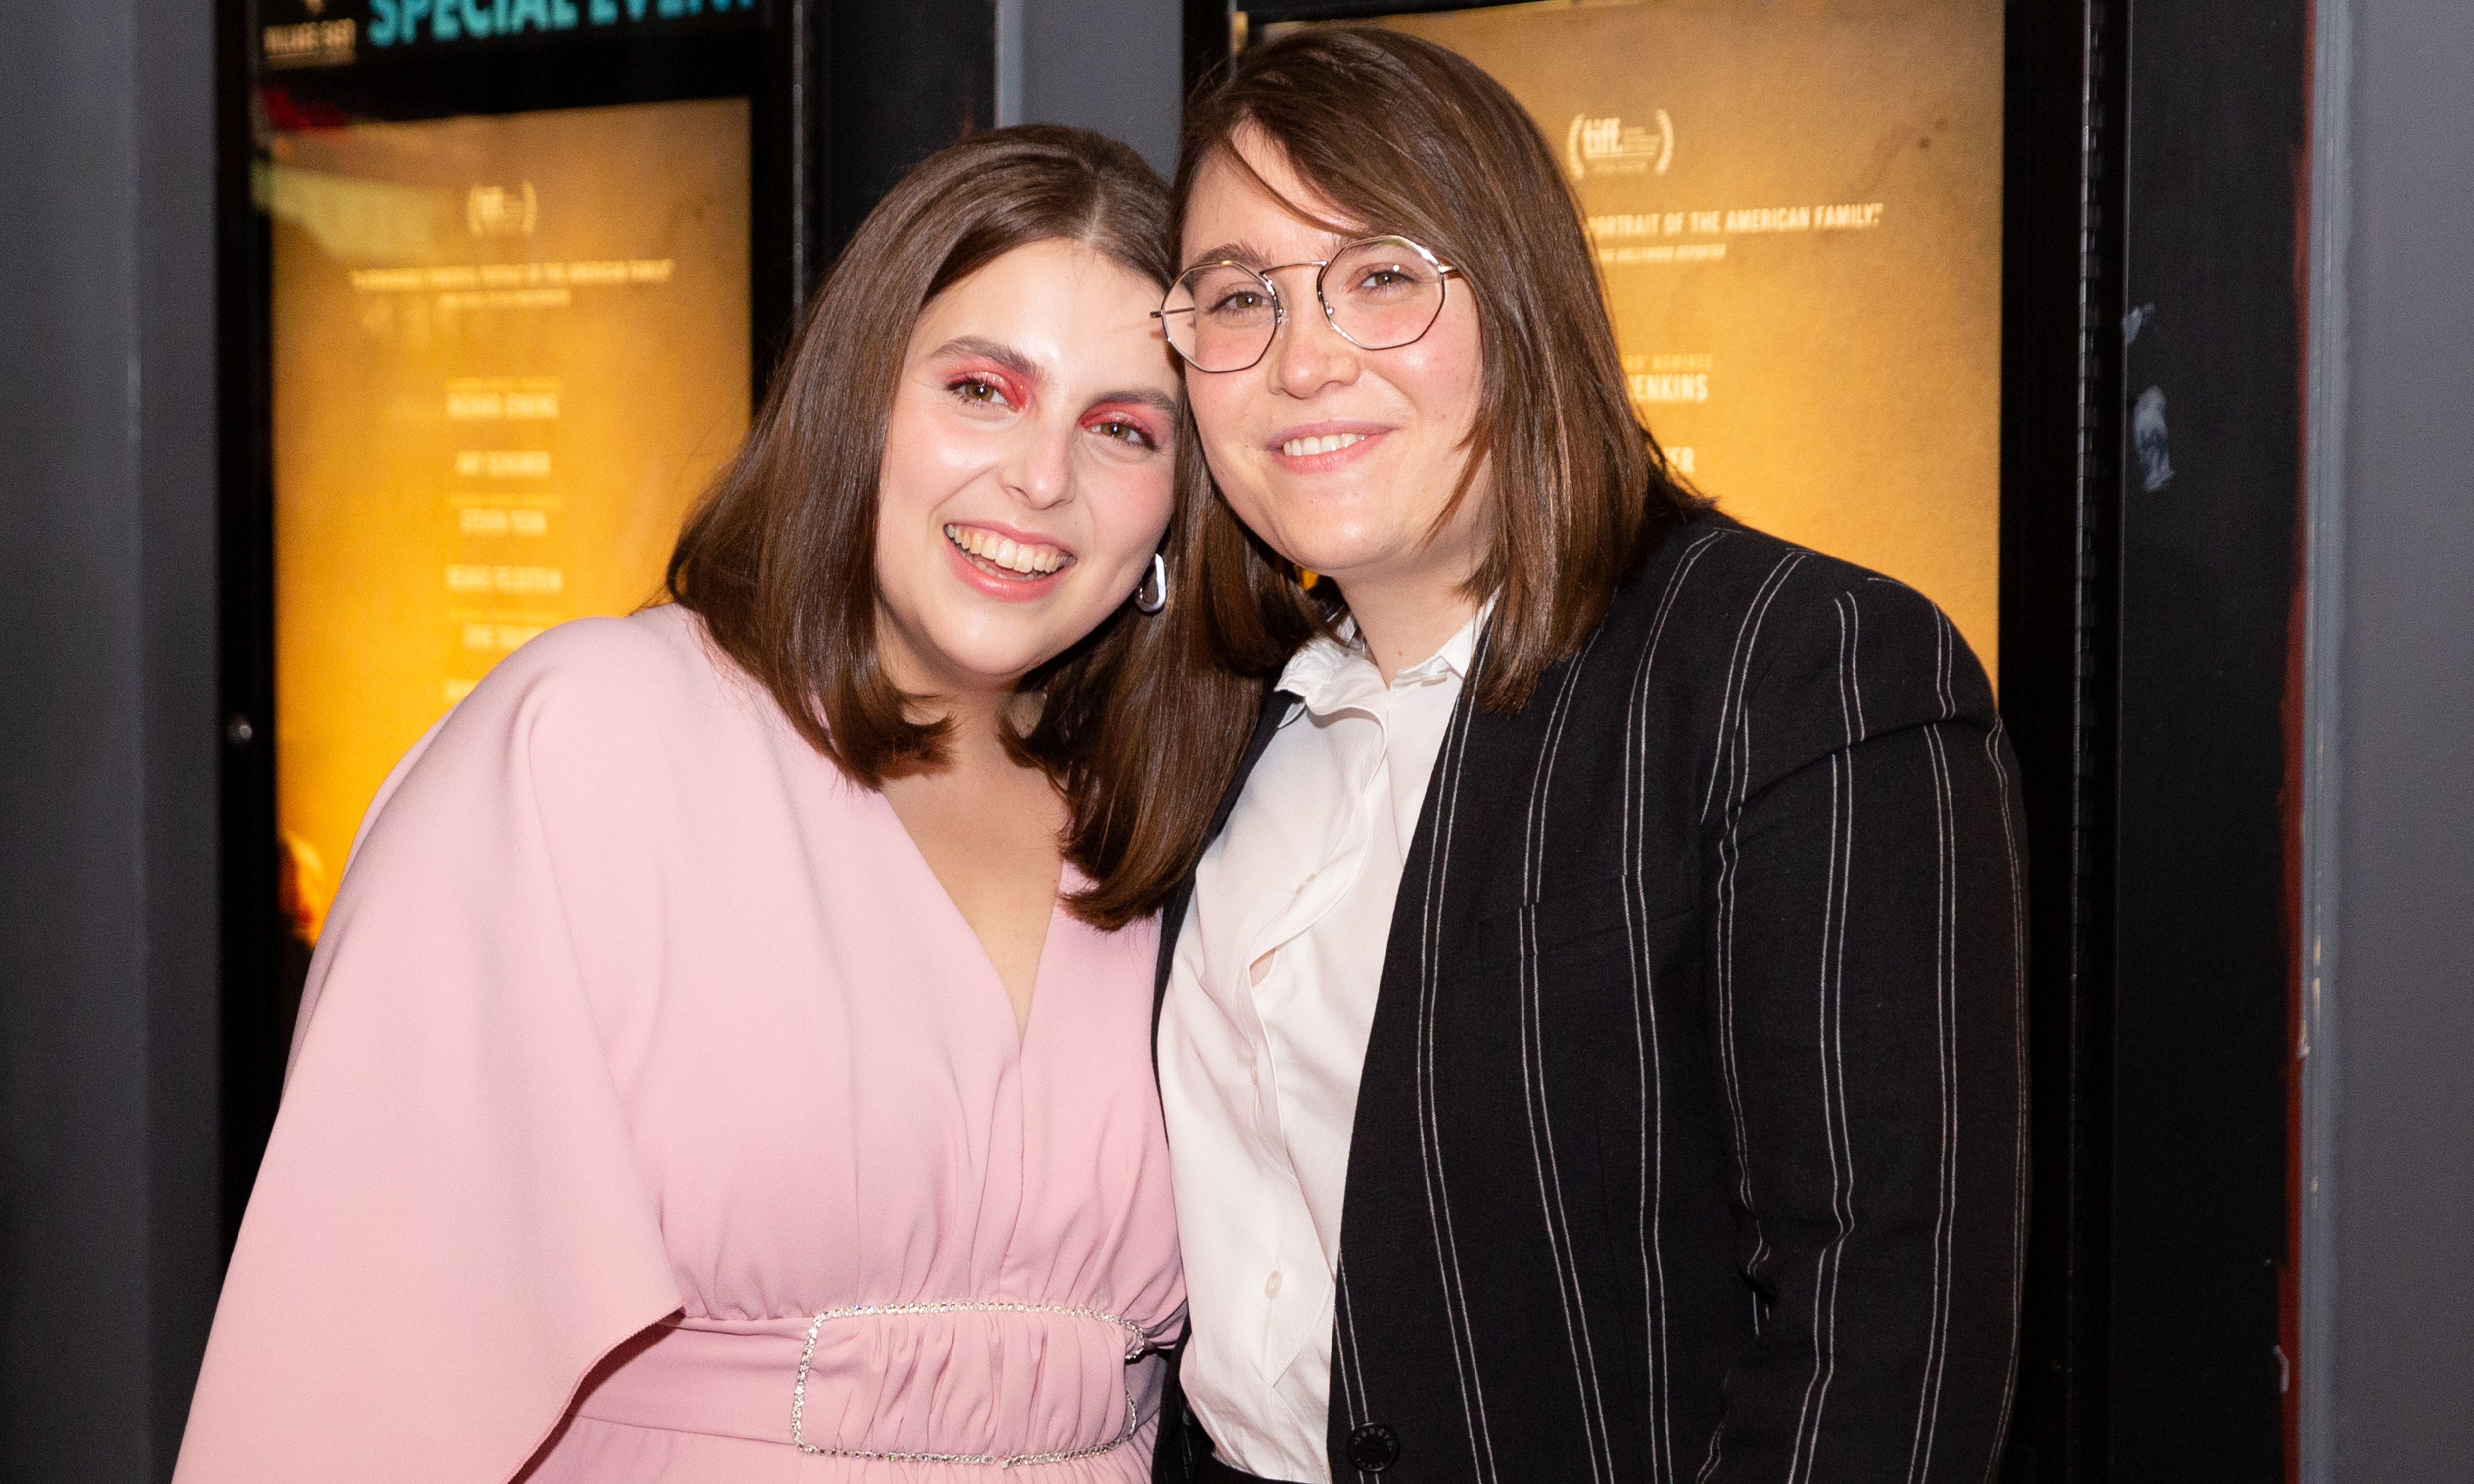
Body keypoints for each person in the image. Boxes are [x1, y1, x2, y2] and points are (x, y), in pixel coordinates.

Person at [176, 125, 1253, 1484]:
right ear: (859, 398)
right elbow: (345, 1381)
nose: (1044, 478)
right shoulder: (588, 745)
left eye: (1121, 427)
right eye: (983, 389)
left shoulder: (1195, 821)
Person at [1149, 28, 2027, 1484]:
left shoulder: (1797, 668)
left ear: (1524, 299)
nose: (1303, 361)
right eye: (1239, 298)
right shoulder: (1224, 720)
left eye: (1381, 279)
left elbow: (1880, 1346)